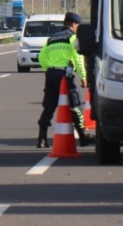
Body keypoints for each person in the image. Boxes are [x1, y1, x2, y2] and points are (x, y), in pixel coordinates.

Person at [36, 11, 93, 149]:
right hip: (64, 75)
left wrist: (48, 69)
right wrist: (84, 77)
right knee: (75, 105)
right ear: (74, 24)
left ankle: (42, 139)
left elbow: (41, 58)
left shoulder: (52, 38)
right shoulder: (72, 38)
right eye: (78, 25)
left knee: (48, 107)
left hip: (50, 74)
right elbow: (78, 58)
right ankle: (83, 135)